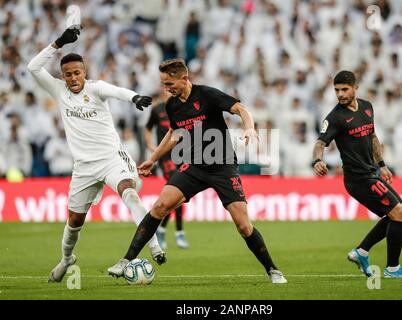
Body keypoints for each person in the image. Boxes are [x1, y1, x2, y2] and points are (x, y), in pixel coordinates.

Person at [108, 58, 287, 284]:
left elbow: (240, 109)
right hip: (194, 165)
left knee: (243, 225)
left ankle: (273, 270)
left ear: (184, 78)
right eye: (163, 84)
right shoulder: (173, 105)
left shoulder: (207, 95)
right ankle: (126, 260)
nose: (166, 89)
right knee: (160, 206)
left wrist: (249, 128)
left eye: (169, 83)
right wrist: (153, 159)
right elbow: (174, 134)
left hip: (222, 166)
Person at [27, 28, 166, 283]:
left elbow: (117, 91)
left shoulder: (96, 88)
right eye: (68, 74)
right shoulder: (59, 91)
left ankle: (155, 247)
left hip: (112, 158)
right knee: (74, 222)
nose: (73, 78)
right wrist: (57, 43)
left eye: (77, 73)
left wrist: (134, 97)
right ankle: (66, 259)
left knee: (130, 192)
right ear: (63, 76)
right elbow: (33, 67)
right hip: (83, 167)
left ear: (84, 72)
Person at [312, 70, 402, 279]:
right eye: (337, 90)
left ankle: (361, 252)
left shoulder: (367, 107)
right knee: (400, 214)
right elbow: (320, 142)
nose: (340, 94)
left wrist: (382, 164)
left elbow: (372, 136)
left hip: (372, 173)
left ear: (355, 88)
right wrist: (317, 160)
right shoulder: (335, 118)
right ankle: (392, 269)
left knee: (398, 214)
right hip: (358, 179)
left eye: (344, 89)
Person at [145, 90, 189, 250]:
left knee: (178, 196)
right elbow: (148, 128)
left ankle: (162, 229)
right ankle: (179, 233)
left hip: (182, 155)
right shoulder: (157, 110)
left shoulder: (181, 108)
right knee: (177, 190)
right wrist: (150, 146)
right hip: (165, 157)